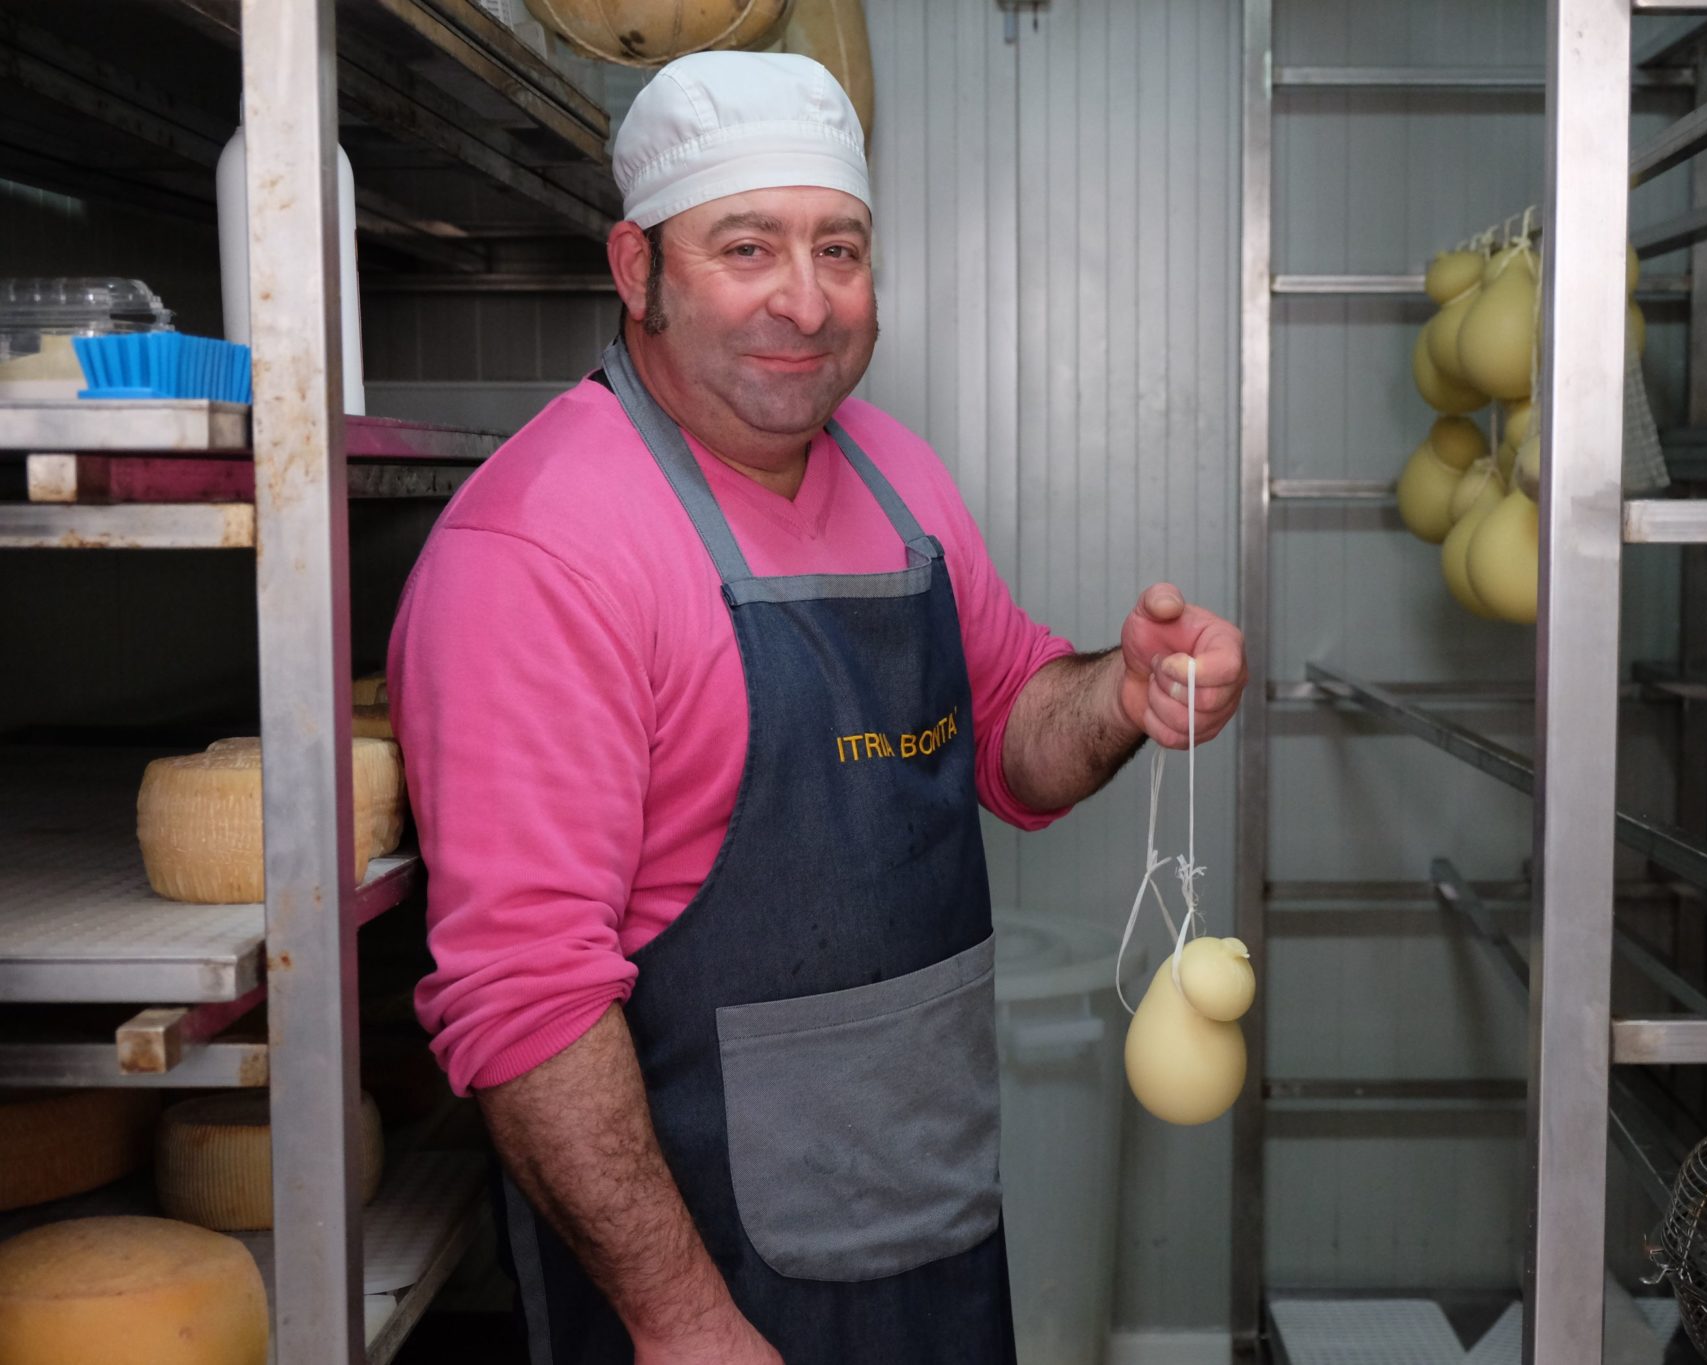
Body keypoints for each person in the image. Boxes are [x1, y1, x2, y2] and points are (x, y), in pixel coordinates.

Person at [388, 50, 1244, 1365]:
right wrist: (683, 1322)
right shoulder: (541, 548)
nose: (805, 299)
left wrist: (1119, 695)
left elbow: (1011, 732)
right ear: (637, 268)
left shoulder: (901, 479)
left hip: (936, 1235)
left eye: (838, 250)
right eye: (748, 248)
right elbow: (526, 999)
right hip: (706, 1291)